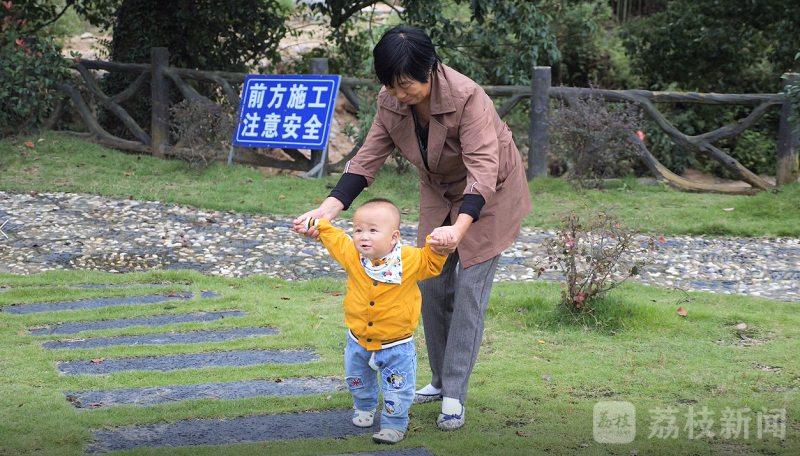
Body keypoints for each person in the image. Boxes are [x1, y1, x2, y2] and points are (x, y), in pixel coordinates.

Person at [294, 24, 531, 431]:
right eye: (391, 85)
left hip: (490, 195)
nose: (399, 94)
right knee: (431, 284)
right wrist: (327, 210)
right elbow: (366, 160)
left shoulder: (468, 97)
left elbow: (484, 170)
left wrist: (459, 229)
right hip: (439, 192)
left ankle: (454, 393)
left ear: (431, 69)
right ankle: (438, 381)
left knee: (469, 289)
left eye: (406, 85)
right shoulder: (391, 102)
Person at [301, 198, 449, 444]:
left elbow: (431, 263)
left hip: (396, 345)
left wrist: (439, 246)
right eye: (358, 229)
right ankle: (365, 406)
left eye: (372, 230)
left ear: (393, 237)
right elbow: (335, 238)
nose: (363, 236)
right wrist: (316, 223)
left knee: (397, 388)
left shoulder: (409, 259)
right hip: (358, 340)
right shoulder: (352, 255)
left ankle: (394, 424)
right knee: (357, 380)